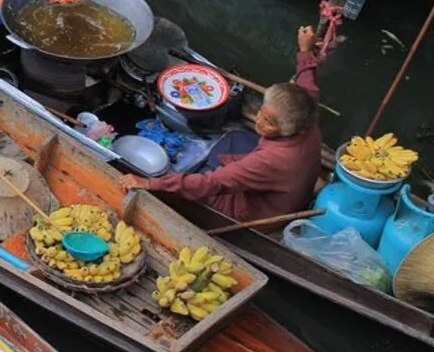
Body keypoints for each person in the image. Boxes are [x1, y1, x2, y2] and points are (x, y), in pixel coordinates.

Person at [118, 26, 324, 223]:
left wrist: (151, 183)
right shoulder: (307, 113)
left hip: (256, 213)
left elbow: (213, 183)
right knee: (237, 138)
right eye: (261, 111)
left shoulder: (271, 160)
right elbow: (307, 83)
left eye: (269, 122)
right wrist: (305, 51)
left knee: (200, 185)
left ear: (289, 129)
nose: (259, 120)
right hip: (289, 189)